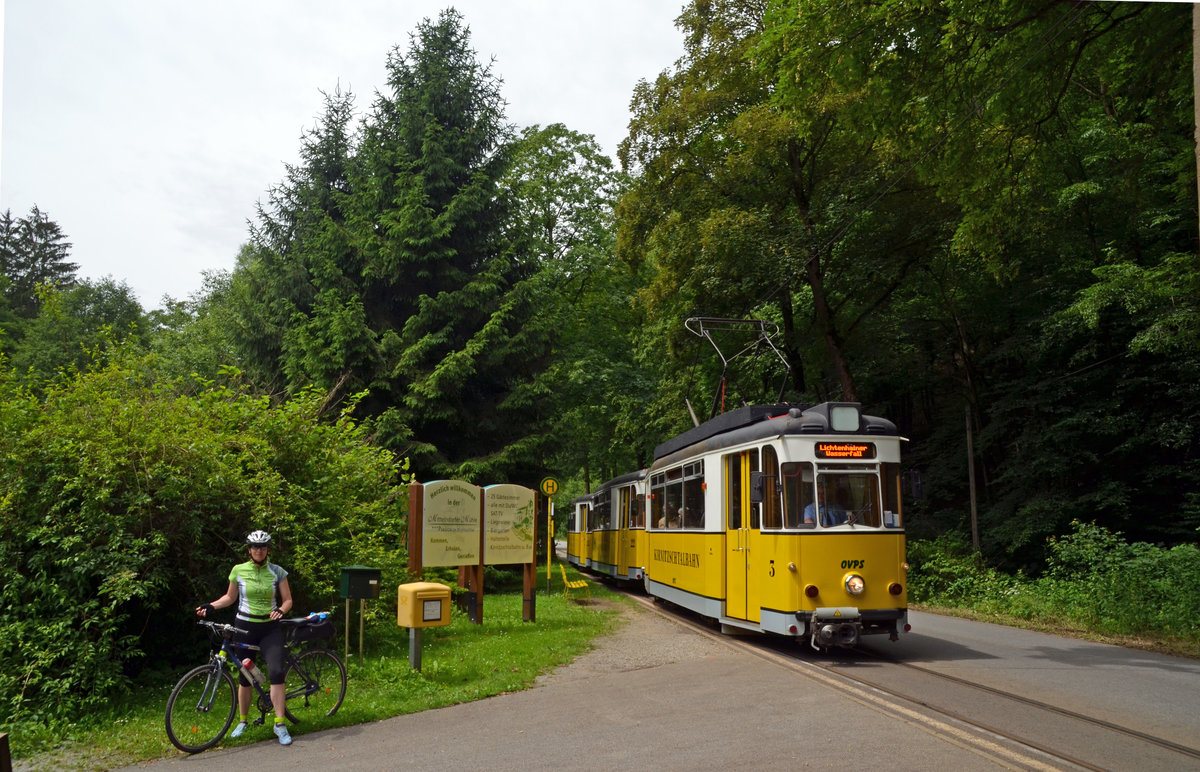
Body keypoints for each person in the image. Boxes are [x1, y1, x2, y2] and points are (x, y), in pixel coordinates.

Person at [196, 530, 294, 746]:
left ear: (268, 549)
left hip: (269, 629)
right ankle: (243, 721)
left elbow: (287, 600)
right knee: (246, 676)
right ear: (249, 550)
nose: (258, 550)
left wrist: (282, 611)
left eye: (262, 547)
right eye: (254, 547)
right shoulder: (238, 570)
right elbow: (230, 597)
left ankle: (280, 724)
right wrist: (211, 606)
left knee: (276, 671)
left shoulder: (277, 571)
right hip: (244, 628)